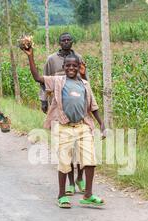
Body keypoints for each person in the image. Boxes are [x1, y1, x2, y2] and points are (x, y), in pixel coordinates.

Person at [21, 45, 106, 208]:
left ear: (79, 67)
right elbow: (37, 77)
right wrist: (30, 56)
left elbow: (93, 106)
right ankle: (61, 195)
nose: (71, 68)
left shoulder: (85, 85)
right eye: (68, 66)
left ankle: (88, 194)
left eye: (74, 65)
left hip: (83, 126)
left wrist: (101, 123)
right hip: (63, 127)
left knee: (90, 161)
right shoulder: (58, 81)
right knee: (64, 162)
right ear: (64, 67)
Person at [40, 32, 88, 197]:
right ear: (59, 42)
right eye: (63, 40)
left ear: (72, 42)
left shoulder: (78, 57)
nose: (66, 42)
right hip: (59, 107)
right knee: (66, 148)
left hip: (77, 105)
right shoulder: (51, 59)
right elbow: (43, 80)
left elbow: (85, 79)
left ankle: (80, 177)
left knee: (80, 149)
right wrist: (43, 100)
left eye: (69, 40)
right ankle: (71, 183)